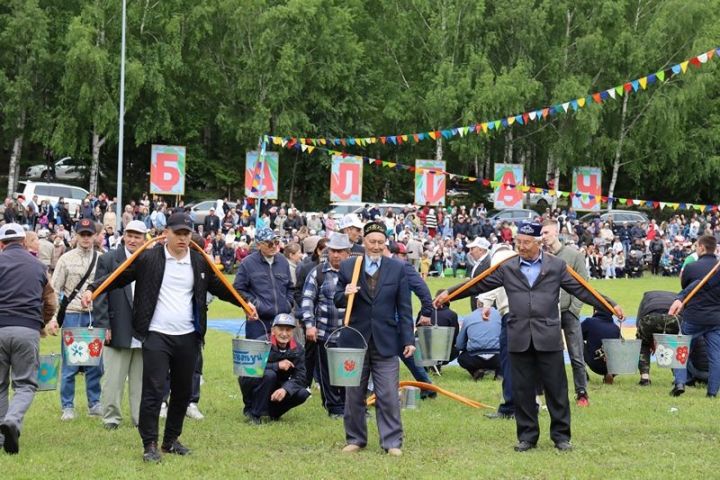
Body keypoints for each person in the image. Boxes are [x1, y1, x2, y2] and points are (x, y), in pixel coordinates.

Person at [434, 222, 623, 452]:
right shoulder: (507, 267)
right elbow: (478, 283)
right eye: (518, 242)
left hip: (548, 336)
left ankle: (561, 436)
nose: (521, 247)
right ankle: (527, 436)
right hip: (519, 335)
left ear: (538, 242)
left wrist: (610, 304)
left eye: (526, 242)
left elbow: (582, 288)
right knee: (522, 389)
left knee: (556, 388)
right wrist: (450, 293)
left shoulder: (557, 266)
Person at [82, 212, 250, 463]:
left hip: (189, 336)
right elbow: (119, 276)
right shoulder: (149, 258)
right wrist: (92, 290)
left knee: (182, 392)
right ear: (166, 233)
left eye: (187, 233)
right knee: (154, 389)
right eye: (178, 233)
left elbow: (220, 286)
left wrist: (244, 304)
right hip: (156, 335)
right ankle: (149, 443)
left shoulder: (198, 261)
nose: (183, 238)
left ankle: (171, 440)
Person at [334, 221, 414, 457]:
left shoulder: (397, 268)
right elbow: (337, 298)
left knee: (388, 393)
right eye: (372, 242)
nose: (377, 246)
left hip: (386, 340)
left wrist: (408, 339)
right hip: (354, 340)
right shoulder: (349, 266)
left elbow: (405, 308)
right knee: (353, 394)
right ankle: (356, 438)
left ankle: (392, 442)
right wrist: (344, 293)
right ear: (364, 242)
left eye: (381, 242)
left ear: (385, 243)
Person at [0, 223, 58, 454]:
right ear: (24, 242)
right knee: (25, 384)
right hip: (27, 330)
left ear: (2, 244)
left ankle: (2, 436)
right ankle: (12, 420)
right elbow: (51, 302)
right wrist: (40, 323)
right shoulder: (38, 266)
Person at [93, 220, 147, 430]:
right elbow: (99, 294)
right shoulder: (108, 259)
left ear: (145, 238)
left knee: (141, 380)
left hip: (144, 329)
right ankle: (111, 418)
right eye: (130, 235)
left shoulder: (151, 259)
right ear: (124, 236)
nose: (133, 240)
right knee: (113, 378)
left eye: (138, 236)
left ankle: (139, 418)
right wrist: (104, 324)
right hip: (117, 324)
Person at [52, 218, 102, 421]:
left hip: (93, 315)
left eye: (89, 234)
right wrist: (53, 318)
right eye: (82, 234)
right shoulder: (65, 259)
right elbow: (54, 290)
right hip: (72, 314)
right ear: (76, 235)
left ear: (95, 236)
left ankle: (95, 403)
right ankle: (67, 406)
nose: (86, 238)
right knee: (71, 363)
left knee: (95, 363)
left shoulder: (102, 259)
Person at [541, 220, 591, 407]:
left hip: (569, 311)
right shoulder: (541, 257)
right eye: (542, 233)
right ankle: (551, 393)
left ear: (556, 232)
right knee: (548, 356)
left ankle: (582, 393)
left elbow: (584, 284)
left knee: (576, 355)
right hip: (548, 313)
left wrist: (574, 308)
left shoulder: (574, 255)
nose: (543, 236)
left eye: (546, 232)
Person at [301, 233, 351, 418]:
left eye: (340, 252)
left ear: (348, 253)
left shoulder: (355, 273)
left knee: (348, 371)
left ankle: (349, 405)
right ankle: (334, 407)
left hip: (348, 333)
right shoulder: (318, 273)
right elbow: (307, 300)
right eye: (333, 251)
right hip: (324, 331)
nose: (336, 255)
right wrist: (309, 325)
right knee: (328, 373)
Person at [668, 234, 720, 397]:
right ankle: (712, 391)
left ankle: (680, 382)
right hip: (716, 318)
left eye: (697, 246)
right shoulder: (716, 268)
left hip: (694, 317)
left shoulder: (691, 268)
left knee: (680, 348)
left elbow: (686, 285)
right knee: (716, 356)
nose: (696, 249)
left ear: (702, 248)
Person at [240, 313, 310, 424]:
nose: (284, 334)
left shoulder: (298, 349)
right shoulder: (261, 343)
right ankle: (253, 413)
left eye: (288, 330)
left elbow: (301, 376)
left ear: (292, 332)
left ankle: (273, 412)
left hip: (278, 386)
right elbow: (247, 368)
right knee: (269, 374)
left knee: (303, 393)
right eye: (280, 329)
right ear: (273, 330)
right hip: (255, 384)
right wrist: (276, 365)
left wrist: (285, 389)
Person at [233, 227, 295, 340]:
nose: (274, 246)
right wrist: (252, 303)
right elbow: (238, 288)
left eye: (276, 242)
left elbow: (290, 287)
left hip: (281, 321)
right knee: (257, 355)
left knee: (281, 356)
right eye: (269, 243)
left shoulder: (283, 261)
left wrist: (287, 304)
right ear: (258, 245)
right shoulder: (247, 263)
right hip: (257, 321)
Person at [456, 308, 501, 381]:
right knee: (509, 355)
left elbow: (459, 345)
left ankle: (475, 372)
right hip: (498, 357)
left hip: (474, 358)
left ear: (476, 303)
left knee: (462, 359)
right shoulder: (501, 316)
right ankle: (500, 374)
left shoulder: (468, 317)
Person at [580, 309, 621, 384]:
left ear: (596, 311)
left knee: (576, 341)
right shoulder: (616, 328)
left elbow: (578, 334)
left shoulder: (589, 322)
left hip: (595, 363)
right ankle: (609, 374)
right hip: (615, 367)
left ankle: (582, 373)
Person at [465, 237, 491, 311]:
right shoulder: (480, 262)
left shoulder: (488, 263)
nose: (470, 252)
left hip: (483, 305)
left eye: (472, 249)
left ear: (480, 250)